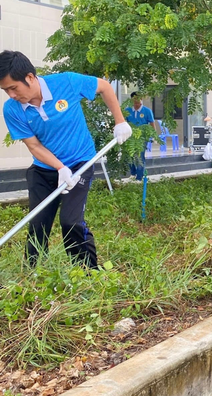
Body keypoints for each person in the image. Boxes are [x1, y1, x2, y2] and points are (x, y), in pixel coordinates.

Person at [0, 50, 132, 268]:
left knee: (71, 222)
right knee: (38, 224)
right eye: (6, 91)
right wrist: (59, 167)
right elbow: (33, 145)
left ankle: (86, 272)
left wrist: (119, 121)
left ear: (30, 77)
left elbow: (105, 86)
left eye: (13, 88)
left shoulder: (66, 82)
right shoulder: (12, 109)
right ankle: (33, 274)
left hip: (80, 162)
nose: (11, 95)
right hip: (44, 169)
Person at [125, 92, 154, 180]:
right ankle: (133, 173)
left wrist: (153, 136)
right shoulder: (127, 110)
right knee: (129, 155)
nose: (137, 103)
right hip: (130, 137)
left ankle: (139, 177)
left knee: (140, 156)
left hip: (142, 137)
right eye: (135, 100)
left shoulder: (147, 111)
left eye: (138, 100)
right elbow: (124, 122)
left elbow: (152, 123)